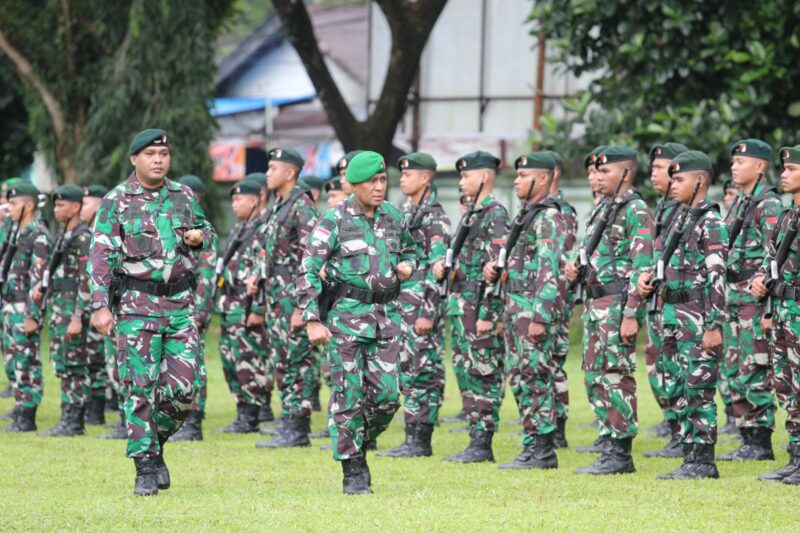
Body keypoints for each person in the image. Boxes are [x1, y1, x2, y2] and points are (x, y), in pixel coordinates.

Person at [89, 128, 215, 496]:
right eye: (150, 154)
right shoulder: (116, 201)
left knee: (184, 390)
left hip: (179, 307)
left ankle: (153, 441)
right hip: (136, 307)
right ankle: (144, 466)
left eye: (163, 153)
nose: (158, 160)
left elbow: (207, 231)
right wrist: (100, 306)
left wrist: (200, 237)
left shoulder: (183, 195)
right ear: (135, 159)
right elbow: (100, 257)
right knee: (139, 388)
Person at [297, 150, 416, 495]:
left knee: (388, 397)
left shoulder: (393, 216)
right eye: (371, 181)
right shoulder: (335, 219)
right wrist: (312, 319)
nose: (379, 187)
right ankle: (353, 467)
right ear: (353, 184)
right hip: (346, 321)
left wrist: (407, 266)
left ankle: (358, 441)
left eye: (382, 180)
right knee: (347, 395)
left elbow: (411, 250)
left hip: (386, 319)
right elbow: (307, 269)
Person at [638, 150, 727, 479]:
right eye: (672, 179)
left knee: (699, 389)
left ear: (700, 181)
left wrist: (713, 325)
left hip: (697, 318)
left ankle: (703, 461)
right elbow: (667, 264)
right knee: (679, 385)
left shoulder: (711, 222)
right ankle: (689, 454)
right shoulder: (680, 218)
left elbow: (717, 277)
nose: (673, 184)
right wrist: (648, 279)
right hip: (673, 314)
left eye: (679, 179)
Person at [566, 145, 653, 475]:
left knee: (616, 376)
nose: (597, 177)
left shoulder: (636, 210)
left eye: (605, 171)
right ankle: (608, 440)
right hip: (595, 304)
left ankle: (620, 452)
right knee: (595, 375)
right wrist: (575, 266)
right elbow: (594, 254)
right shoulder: (604, 208)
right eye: (595, 171)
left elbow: (642, 267)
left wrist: (631, 314)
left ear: (626, 173)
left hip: (617, 305)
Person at [485, 152, 564, 469]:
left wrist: (540, 318)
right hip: (516, 307)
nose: (516, 181)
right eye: (516, 175)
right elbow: (521, 262)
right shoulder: (527, 214)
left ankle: (543, 450)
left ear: (542, 179)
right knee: (520, 378)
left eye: (523, 175)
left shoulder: (548, 217)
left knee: (535, 378)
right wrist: (496, 269)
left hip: (532, 310)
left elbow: (549, 269)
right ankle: (532, 445)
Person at [432, 151, 510, 464]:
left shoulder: (495, 214)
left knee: (484, 372)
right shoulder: (471, 215)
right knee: (467, 371)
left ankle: (483, 442)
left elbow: (498, 268)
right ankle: (475, 438)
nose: (462, 182)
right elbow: (465, 261)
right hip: (461, 305)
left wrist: (489, 314)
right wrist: (445, 267)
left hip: (479, 307)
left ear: (484, 177)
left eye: (466, 176)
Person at [378, 152, 450, 458]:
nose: (403, 179)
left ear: (425, 177)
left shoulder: (435, 217)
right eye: (403, 174)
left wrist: (428, 312)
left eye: (409, 174)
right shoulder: (405, 212)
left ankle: (420, 439)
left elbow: (439, 267)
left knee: (422, 370)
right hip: (402, 304)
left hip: (421, 306)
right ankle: (411, 436)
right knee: (407, 368)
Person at [719, 139, 782, 462]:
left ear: (760, 166)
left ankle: (760, 442)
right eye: (733, 162)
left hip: (753, 300)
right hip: (733, 296)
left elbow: (776, 255)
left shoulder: (768, 205)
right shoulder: (742, 202)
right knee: (734, 368)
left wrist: (766, 296)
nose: (734, 167)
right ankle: (746, 437)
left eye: (740, 162)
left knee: (754, 367)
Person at [252, 148, 319, 449]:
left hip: (293, 297)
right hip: (277, 296)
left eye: (273, 168)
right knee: (282, 360)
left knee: (296, 360)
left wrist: (303, 306)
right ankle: (289, 419)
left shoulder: (302, 205)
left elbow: (311, 259)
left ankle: (298, 427)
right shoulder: (281, 204)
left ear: (290, 173)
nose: (268, 174)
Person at [751, 145, 800, 484]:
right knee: (786, 386)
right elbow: (771, 260)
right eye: (783, 168)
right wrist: (760, 281)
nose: (783, 174)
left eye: (792, 169)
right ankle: (796, 456)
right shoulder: (786, 215)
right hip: (783, 311)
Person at [642, 142, 689, 454]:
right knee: (660, 367)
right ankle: (674, 427)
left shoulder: (686, 211)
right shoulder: (664, 207)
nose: (654, 174)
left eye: (661, 168)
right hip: (659, 300)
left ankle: (683, 433)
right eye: (654, 168)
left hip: (679, 304)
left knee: (678, 369)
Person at [35, 185, 93, 437]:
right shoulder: (63, 235)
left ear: (76, 207)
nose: (56, 209)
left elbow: (86, 280)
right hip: (59, 308)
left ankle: (75, 421)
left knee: (75, 365)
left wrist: (78, 316)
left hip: (72, 311)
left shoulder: (83, 238)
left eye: (61, 205)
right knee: (63, 364)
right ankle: (66, 417)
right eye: (55, 205)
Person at [214, 178, 269, 434]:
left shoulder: (263, 229)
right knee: (230, 359)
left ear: (255, 200)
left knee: (248, 359)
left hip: (247, 305)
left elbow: (264, 270)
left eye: (239, 199)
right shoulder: (239, 228)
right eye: (233, 200)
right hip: (230, 303)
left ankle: (251, 415)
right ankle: (241, 411)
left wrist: (258, 309)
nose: (234, 204)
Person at [0, 181, 50, 432]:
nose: (8, 208)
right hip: (10, 306)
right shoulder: (17, 233)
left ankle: (27, 416)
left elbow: (39, 280)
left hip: (24, 308)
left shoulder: (37, 235)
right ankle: (20, 409)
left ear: (28, 206)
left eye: (13, 204)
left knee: (26, 361)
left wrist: (33, 314)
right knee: (12, 361)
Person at [170, 175, 217, 441]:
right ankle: (181, 419)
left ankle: (193, 423)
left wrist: (199, 313)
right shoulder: (177, 228)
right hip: (176, 307)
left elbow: (207, 276)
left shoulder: (203, 232)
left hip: (193, 310)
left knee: (195, 364)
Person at [542, 150, 577, 448]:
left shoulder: (562, 211)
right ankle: (546, 420)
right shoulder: (537, 210)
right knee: (543, 362)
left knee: (553, 360)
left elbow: (557, 255)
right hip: (541, 296)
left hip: (556, 296)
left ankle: (559, 426)